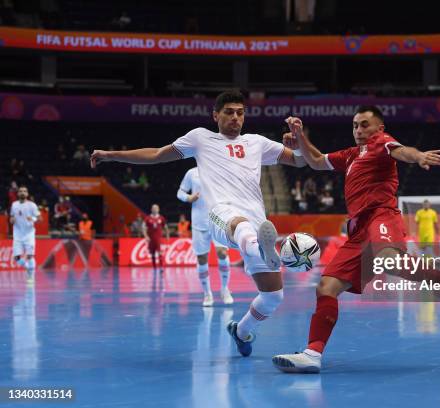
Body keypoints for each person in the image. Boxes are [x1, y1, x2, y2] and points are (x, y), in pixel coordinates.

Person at [90, 90, 306, 357]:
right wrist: (111, 155)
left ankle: (241, 331)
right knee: (242, 227)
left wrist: (299, 143)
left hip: (257, 220)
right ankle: (259, 247)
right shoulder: (200, 138)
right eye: (229, 112)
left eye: (240, 112)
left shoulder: (256, 142)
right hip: (220, 215)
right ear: (215, 115)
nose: (235, 117)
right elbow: (157, 154)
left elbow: (300, 160)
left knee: (273, 297)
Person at [272, 107, 440, 373]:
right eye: (355, 126)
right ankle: (312, 354)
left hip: (380, 217)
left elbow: (401, 151)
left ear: (379, 128)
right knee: (326, 287)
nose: (359, 130)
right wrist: (300, 136)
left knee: (389, 261)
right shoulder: (350, 156)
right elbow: (315, 160)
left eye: (364, 125)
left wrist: (418, 156)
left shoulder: (381, 143)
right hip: (357, 230)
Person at [178, 167, 234, 306]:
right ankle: (207, 293)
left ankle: (224, 289)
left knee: (222, 253)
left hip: (218, 220)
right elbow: (180, 192)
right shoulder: (191, 173)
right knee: (202, 258)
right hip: (199, 222)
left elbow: (231, 192)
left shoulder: (220, 170)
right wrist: (188, 197)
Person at [10, 186, 41, 273]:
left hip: (29, 234)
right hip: (17, 234)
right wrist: (12, 220)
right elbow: (12, 217)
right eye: (20, 191)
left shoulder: (32, 205)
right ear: (18, 193)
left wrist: (33, 219)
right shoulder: (14, 205)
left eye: (24, 191)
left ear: (27, 194)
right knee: (17, 258)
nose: (22, 193)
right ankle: (28, 267)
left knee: (30, 256)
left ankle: (31, 276)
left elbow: (40, 218)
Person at [142, 204, 170, 271]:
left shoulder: (161, 218)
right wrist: (146, 236)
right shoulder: (147, 218)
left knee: (160, 252)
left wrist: (167, 235)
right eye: (153, 208)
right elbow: (143, 228)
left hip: (158, 239)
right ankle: (154, 267)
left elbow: (166, 227)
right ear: (151, 209)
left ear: (158, 209)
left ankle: (161, 267)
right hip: (151, 239)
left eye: (156, 208)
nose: (155, 209)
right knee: (152, 253)